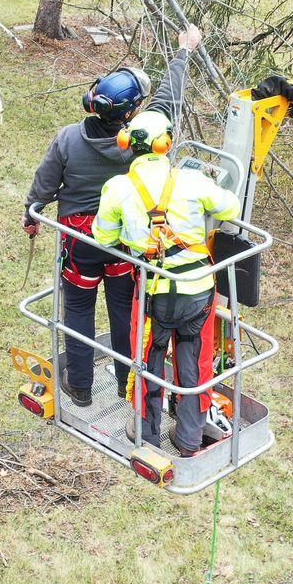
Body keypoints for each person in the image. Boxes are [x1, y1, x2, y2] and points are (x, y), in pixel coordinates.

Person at [24, 25, 202, 409]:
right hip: (122, 243)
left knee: (77, 309)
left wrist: (31, 213)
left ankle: (82, 388)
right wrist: (184, 51)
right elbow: (168, 100)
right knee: (123, 312)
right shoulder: (139, 143)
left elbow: (43, 184)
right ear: (133, 112)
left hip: (78, 243)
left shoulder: (68, 138)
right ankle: (126, 383)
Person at [93, 109, 242, 457]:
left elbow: (103, 235)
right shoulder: (191, 182)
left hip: (152, 295)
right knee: (195, 362)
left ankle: (145, 430)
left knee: (147, 359)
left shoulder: (117, 188)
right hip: (198, 293)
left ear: (127, 144)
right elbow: (230, 208)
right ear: (166, 144)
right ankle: (189, 436)